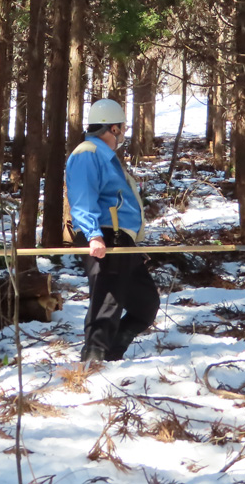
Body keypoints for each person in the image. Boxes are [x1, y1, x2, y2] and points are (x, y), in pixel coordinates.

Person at [65, 99, 160, 363]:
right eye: (123, 128)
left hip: (121, 239)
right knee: (108, 299)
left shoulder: (105, 156)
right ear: (113, 128)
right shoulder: (88, 152)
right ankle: (94, 357)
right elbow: (83, 196)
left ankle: (113, 350)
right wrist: (94, 235)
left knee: (145, 303)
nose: (124, 134)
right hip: (104, 235)